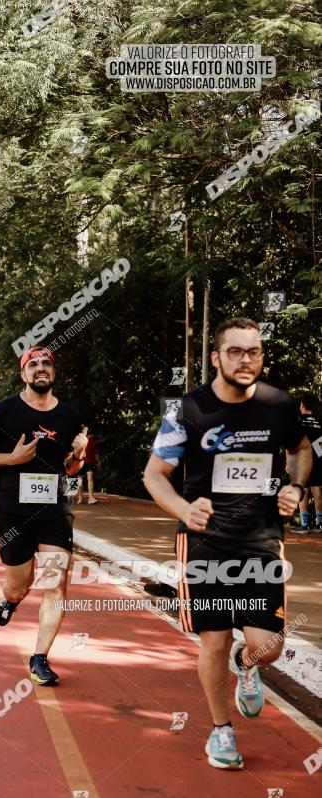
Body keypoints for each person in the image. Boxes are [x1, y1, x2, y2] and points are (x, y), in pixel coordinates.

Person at [143, 317, 312, 771]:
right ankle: (220, 732)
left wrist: (295, 488)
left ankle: (248, 664)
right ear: (216, 357)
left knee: (269, 645)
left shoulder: (279, 404)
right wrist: (182, 509)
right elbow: (154, 475)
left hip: (260, 538)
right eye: (235, 352)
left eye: (253, 351)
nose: (246, 360)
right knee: (213, 641)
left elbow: (301, 450)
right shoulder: (188, 410)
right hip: (205, 543)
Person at [0, 346, 87, 686]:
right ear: (23, 374)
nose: (40, 368)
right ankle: (10, 599)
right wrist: (13, 459)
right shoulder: (5, 411)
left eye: (46, 363)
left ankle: (40, 658)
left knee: (56, 583)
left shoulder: (69, 416)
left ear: (54, 372)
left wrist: (78, 456)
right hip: (12, 512)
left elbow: (69, 467)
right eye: (32, 364)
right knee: (19, 584)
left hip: (53, 512)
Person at [290, 394, 322, 534]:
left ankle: (304, 525)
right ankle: (319, 524)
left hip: (301, 461)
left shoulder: (297, 422)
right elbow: (320, 447)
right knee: (317, 490)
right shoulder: (319, 423)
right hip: (317, 460)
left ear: (302, 405)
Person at [76, 426, 101, 504]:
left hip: (90, 462)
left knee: (90, 478)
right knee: (79, 480)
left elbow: (96, 452)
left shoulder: (92, 439)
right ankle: (80, 497)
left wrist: (98, 461)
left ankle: (91, 497)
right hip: (80, 462)